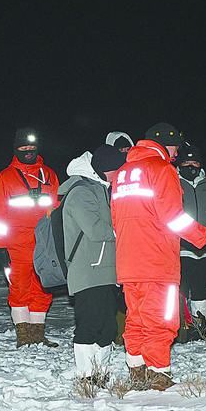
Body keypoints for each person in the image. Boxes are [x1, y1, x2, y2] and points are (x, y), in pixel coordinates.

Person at [111, 122, 206, 390]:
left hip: (128, 261)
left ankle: (136, 369)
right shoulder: (162, 170)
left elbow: (115, 221)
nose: (176, 154)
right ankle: (158, 374)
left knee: (136, 317)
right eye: (174, 147)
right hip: (156, 261)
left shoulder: (123, 173)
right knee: (161, 318)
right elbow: (173, 218)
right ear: (164, 144)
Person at [60, 144, 126, 384]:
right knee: (89, 325)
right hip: (87, 271)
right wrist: (126, 230)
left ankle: (100, 374)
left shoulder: (102, 189)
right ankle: (86, 377)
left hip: (107, 271)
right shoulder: (81, 192)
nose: (120, 176)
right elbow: (96, 230)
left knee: (107, 327)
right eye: (116, 171)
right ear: (104, 170)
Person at [0, 127, 60, 347]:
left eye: (32, 147)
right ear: (15, 148)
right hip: (16, 245)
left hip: (45, 244)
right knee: (19, 289)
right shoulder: (5, 177)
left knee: (43, 288)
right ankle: (24, 335)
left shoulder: (49, 174)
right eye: (23, 147)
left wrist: (59, 239)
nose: (28, 151)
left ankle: (37, 334)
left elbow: (57, 208)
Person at [175, 143, 206, 343]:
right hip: (180, 249)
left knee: (201, 290)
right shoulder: (174, 184)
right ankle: (179, 327)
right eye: (186, 163)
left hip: (204, 250)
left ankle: (199, 326)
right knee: (180, 290)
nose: (191, 167)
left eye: (195, 163)